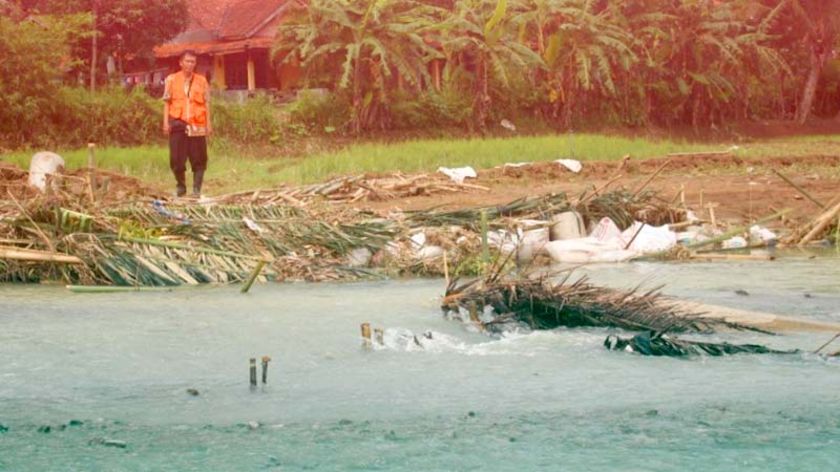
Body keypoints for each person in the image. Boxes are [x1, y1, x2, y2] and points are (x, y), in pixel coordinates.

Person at [162, 50, 212, 197]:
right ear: (181, 63)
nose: (190, 64)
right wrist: (165, 123)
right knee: (176, 159)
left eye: (193, 62)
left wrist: (208, 124)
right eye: (187, 61)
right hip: (178, 123)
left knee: (199, 158)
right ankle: (181, 187)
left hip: (197, 124)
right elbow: (166, 103)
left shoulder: (202, 81)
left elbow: (207, 103)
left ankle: (197, 190)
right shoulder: (171, 80)